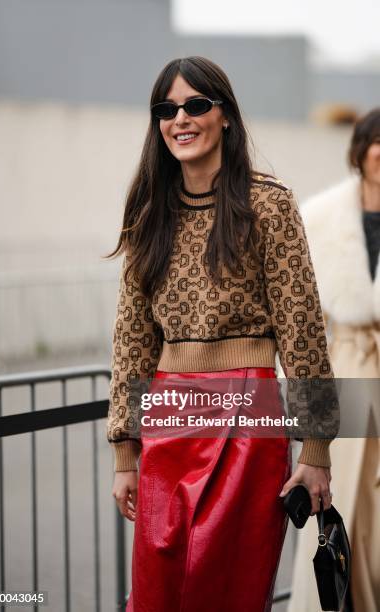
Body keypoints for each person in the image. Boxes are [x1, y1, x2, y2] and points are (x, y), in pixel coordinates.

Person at [106, 56, 336, 612]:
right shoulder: (148, 212)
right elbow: (132, 339)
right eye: (166, 109)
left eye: (196, 104)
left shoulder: (269, 204)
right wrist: (125, 455)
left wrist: (317, 449)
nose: (179, 118)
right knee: (157, 591)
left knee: (227, 586)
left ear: (226, 115)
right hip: (166, 422)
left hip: (247, 417)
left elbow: (302, 330)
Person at [288, 109, 380, 612]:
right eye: (378, 142)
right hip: (344, 372)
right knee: (337, 504)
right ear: (361, 147)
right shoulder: (320, 216)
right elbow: (299, 319)